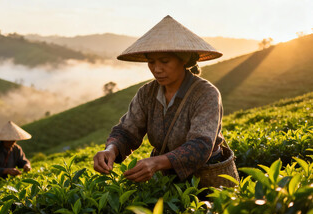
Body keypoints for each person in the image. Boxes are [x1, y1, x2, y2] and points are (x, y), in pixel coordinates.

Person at [93, 15, 238, 186]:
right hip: (167, 179)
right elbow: (127, 131)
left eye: (164, 61)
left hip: (208, 179)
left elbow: (201, 145)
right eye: (151, 62)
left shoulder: (206, 93)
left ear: (183, 59)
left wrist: (156, 162)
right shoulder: (147, 93)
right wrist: (111, 150)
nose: (156, 69)